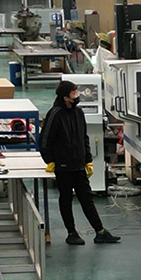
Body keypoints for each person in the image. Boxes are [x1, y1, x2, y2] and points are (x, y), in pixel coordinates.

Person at [39, 80, 120, 245]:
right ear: (65, 97)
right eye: (74, 93)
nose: (77, 95)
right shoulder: (55, 114)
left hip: (78, 164)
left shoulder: (78, 113)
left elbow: (84, 137)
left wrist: (88, 160)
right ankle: (71, 233)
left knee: (86, 198)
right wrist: (50, 160)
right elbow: (44, 140)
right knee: (66, 198)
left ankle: (100, 232)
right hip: (63, 166)